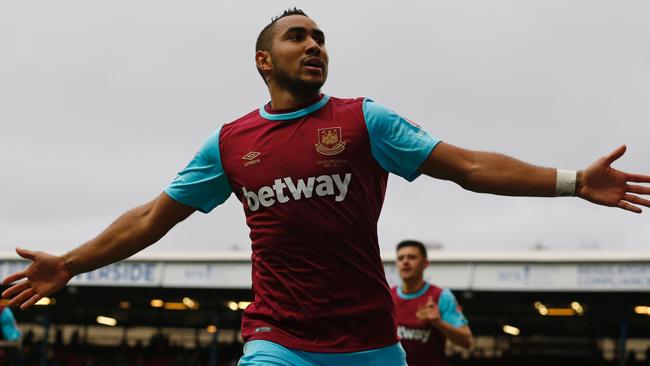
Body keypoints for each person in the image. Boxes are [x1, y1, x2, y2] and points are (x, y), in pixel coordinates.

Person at [3, 7, 650, 366]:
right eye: (297, 36)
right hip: (278, 343)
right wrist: (72, 263)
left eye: (320, 37)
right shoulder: (230, 143)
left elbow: (470, 168)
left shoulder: (364, 120)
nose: (314, 45)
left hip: (371, 346)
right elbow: (152, 219)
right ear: (265, 60)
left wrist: (570, 181)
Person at [392, 240, 472, 366]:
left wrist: (438, 323)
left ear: (425, 264)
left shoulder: (441, 296)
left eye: (412, 257)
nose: (405, 262)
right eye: (401, 258)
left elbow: (467, 341)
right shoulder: (387, 297)